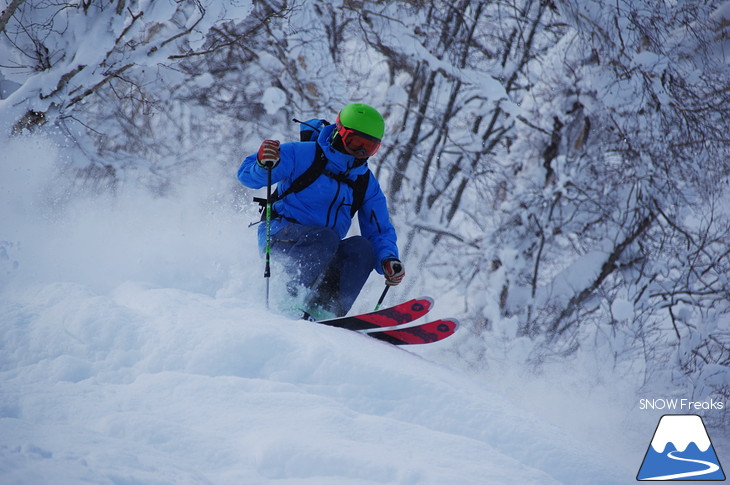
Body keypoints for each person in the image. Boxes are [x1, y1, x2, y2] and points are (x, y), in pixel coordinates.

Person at [237, 103, 405, 319]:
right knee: (325, 237)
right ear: (339, 132)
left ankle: (326, 312)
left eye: (369, 147)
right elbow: (246, 175)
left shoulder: (365, 183)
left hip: (323, 251)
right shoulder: (304, 154)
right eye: (355, 143)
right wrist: (262, 163)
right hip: (282, 238)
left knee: (363, 248)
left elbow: (379, 231)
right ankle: (287, 300)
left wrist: (388, 259)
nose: (360, 153)